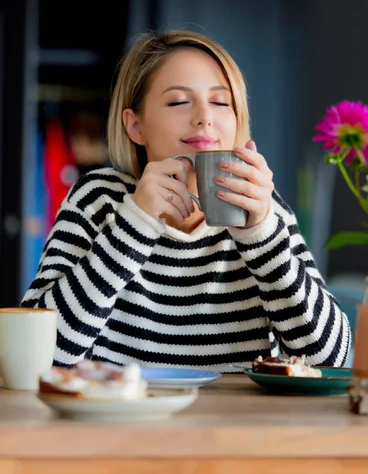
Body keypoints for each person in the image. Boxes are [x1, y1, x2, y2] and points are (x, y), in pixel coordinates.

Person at [22, 30, 350, 371]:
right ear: (136, 126)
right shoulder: (97, 199)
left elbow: (331, 360)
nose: (204, 117)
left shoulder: (264, 210)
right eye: (179, 101)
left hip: (235, 424)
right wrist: (135, 223)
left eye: (221, 102)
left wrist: (261, 234)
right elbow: (35, 357)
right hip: (121, 419)